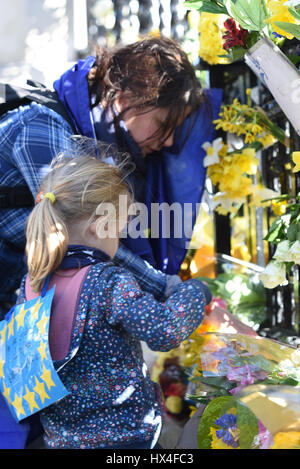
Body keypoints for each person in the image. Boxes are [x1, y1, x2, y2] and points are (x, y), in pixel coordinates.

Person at [0, 36, 223, 318]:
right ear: (128, 95)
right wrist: (171, 291)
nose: (168, 142)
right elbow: (84, 235)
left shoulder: (90, 143)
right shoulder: (42, 128)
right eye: (164, 124)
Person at [11, 154, 214, 449]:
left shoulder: (31, 284)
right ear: (101, 224)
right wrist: (196, 292)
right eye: (118, 230)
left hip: (61, 439)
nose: (118, 241)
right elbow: (165, 329)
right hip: (123, 440)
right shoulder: (107, 282)